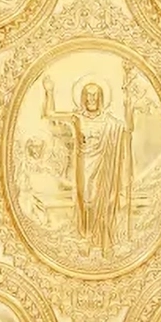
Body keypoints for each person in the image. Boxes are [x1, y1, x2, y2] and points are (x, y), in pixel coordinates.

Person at [41, 74, 133, 256]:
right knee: (87, 201)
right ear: (83, 98)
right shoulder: (77, 118)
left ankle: (105, 241)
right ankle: (87, 237)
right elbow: (49, 114)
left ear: (100, 98)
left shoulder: (110, 122)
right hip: (84, 166)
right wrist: (49, 91)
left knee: (106, 201)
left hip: (104, 165)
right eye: (88, 95)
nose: (91, 99)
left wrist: (129, 104)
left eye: (95, 95)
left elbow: (128, 128)